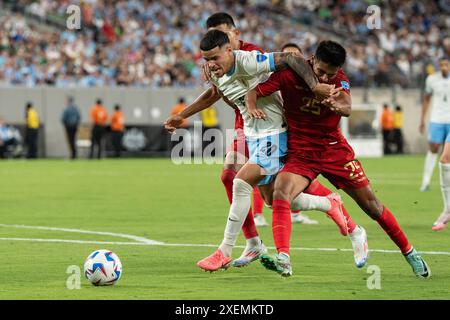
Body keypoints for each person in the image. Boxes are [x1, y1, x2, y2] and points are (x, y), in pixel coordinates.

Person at [246, 40, 430, 278]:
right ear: (312, 59)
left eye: (329, 74)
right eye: (320, 71)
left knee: (372, 206)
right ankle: (284, 258)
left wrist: (335, 104)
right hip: (302, 152)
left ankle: (410, 252)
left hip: (334, 151)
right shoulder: (288, 75)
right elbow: (254, 90)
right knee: (281, 191)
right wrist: (251, 105)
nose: (323, 77)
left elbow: (347, 106)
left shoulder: (339, 78)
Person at [194, 30, 351, 272]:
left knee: (239, 182)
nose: (211, 64)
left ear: (229, 47)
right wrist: (180, 116)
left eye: (214, 58)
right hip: (255, 134)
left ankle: (225, 250)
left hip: (275, 133)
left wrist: (315, 85)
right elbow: (219, 94)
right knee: (271, 199)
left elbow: (292, 59)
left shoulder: (250, 58)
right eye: (206, 59)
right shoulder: (217, 73)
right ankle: (328, 204)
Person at [419, 56, 450, 192]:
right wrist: (422, 119)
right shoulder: (431, 79)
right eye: (441, 65)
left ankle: (446, 183)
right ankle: (426, 182)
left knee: (448, 152)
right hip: (436, 119)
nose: (444, 67)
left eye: (446, 65)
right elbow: (426, 100)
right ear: (439, 66)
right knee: (434, 148)